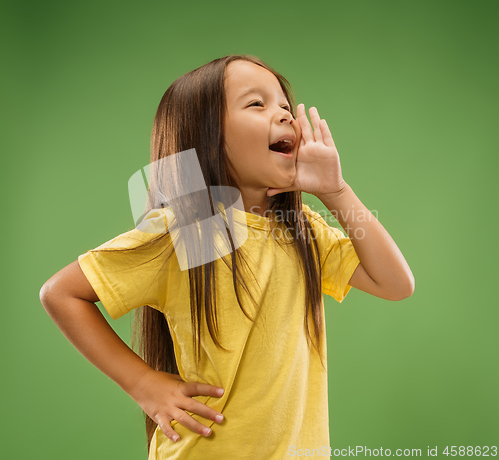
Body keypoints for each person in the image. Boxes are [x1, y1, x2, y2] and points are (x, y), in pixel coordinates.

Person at [39, 54, 415, 459]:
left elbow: (395, 283)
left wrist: (336, 192)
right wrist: (144, 385)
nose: (285, 115)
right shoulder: (187, 230)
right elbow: (60, 293)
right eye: (257, 104)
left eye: (285, 106)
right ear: (208, 136)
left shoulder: (301, 228)